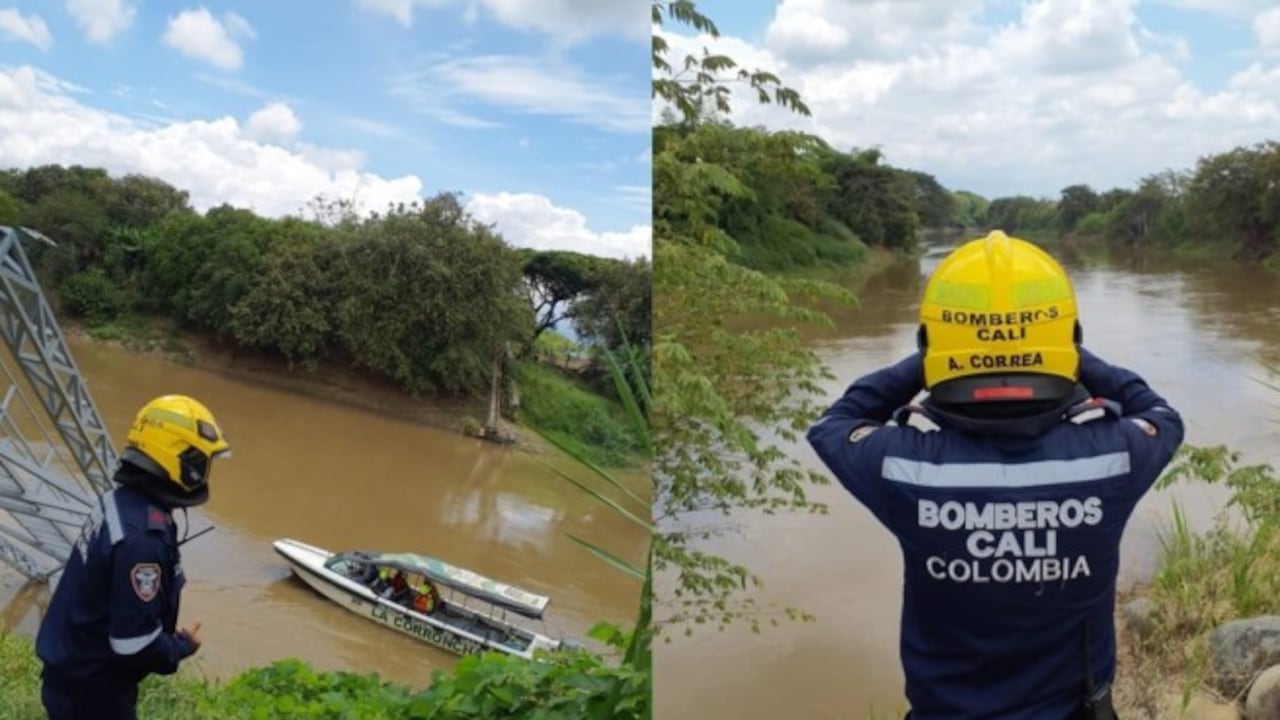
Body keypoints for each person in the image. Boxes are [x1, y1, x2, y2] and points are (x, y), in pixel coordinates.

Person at [806, 231, 1184, 720]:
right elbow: (1162, 414)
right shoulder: (1114, 455)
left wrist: (933, 362)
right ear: (1069, 336)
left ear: (930, 341)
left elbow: (833, 425)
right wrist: (1070, 357)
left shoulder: (904, 464)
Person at [36, 395, 231, 720]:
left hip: (73, 672)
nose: (203, 474)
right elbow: (133, 644)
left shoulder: (119, 502)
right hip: (92, 692)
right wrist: (181, 647)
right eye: (200, 463)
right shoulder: (143, 538)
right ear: (177, 457)